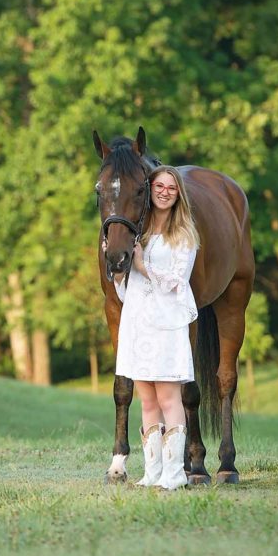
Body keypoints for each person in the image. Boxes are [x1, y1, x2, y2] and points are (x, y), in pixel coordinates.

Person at [113, 165, 199, 491]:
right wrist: (121, 271)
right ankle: (152, 473)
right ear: (150, 190)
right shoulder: (140, 232)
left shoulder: (185, 235)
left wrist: (141, 265)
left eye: (171, 188)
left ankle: (175, 474)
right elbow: (127, 292)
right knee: (147, 401)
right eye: (158, 186)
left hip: (166, 324)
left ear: (179, 195)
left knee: (168, 398)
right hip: (138, 324)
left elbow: (178, 283)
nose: (164, 191)